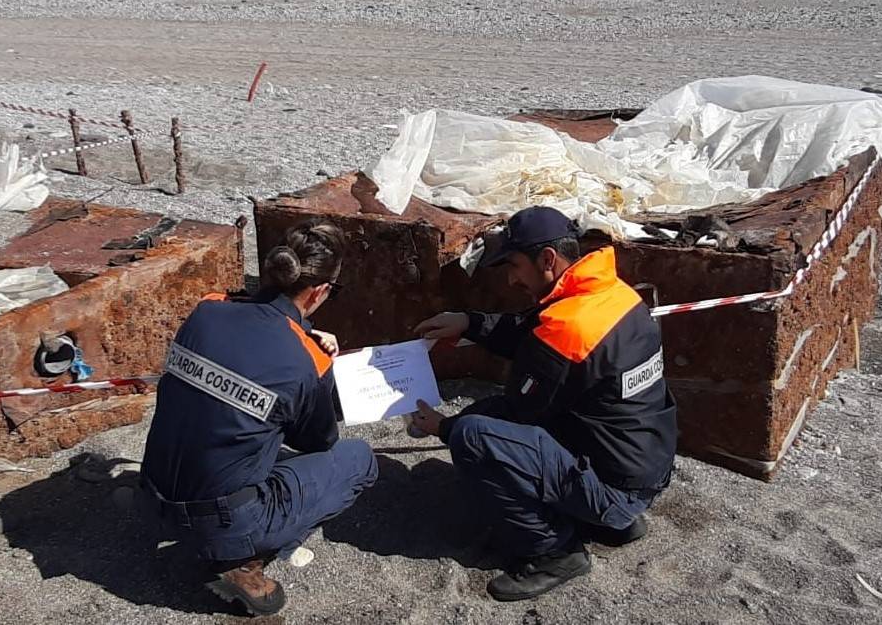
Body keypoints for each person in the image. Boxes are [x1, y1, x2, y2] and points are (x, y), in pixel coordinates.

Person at [410, 206, 677, 601]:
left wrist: (442, 427)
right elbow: (533, 330)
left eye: (515, 265)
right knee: (494, 420)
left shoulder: (569, 328)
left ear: (547, 260)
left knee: (474, 434)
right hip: (646, 465)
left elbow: (520, 412)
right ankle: (616, 522)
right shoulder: (613, 294)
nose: (512, 277)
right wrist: (469, 322)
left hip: (618, 488)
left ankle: (554, 551)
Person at [139, 221, 378, 616]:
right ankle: (244, 559)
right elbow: (317, 443)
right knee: (358, 460)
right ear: (319, 291)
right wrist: (319, 363)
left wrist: (303, 333)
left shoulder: (208, 308)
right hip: (219, 521)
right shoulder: (307, 359)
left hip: (154, 494)